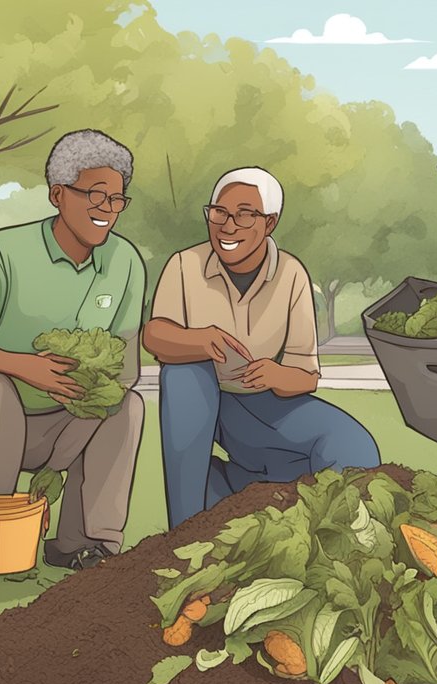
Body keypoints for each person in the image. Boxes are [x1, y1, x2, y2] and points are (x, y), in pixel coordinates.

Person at [0, 129, 146, 613]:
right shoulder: (0, 252)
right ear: (58, 194)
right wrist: (24, 368)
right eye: (95, 194)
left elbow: (126, 364)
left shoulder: (126, 262)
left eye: (116, 199)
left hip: (70, 416)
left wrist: (90, 390)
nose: (107, 209)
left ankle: (84, 544)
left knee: (126, 405)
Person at [144, 167, 381, 528]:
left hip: (264, 404)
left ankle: (258, 499)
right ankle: (185, 529)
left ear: (269, 223)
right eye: (219, 213)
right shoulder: (184, 264)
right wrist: (201, 340)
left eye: (244, 215)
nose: (227, 225)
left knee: (352, 444)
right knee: (184, 374)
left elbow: (306, 376)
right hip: (203, 401)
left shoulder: (291, 273)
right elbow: (155, 336)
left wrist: (276, 375)